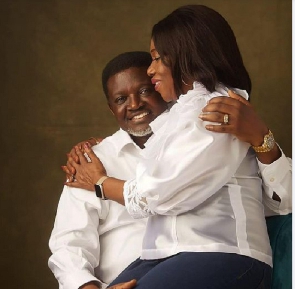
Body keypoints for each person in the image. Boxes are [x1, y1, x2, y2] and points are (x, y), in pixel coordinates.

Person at [65, 5, 291, 289]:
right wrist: (98, 146)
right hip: (166, 254)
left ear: (187, 57)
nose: (151, 71)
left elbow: (158, 193)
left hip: (223, 253)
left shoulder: (217, 109)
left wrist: (99, 181)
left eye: (158, 59)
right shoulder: (178, 116)